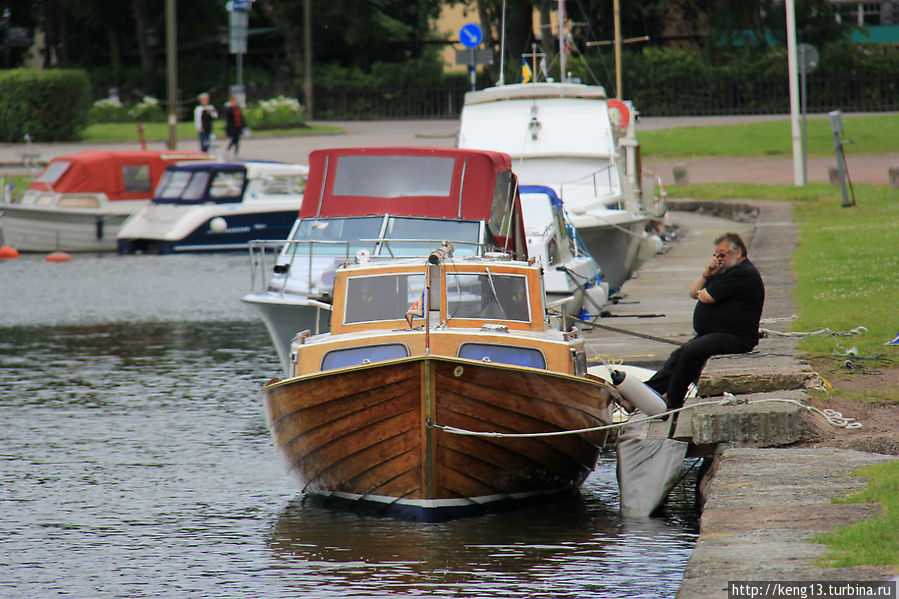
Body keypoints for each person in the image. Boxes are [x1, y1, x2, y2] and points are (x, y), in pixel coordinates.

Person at [645, 232, 765, 410]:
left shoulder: (743, 273)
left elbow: (706, 297)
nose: (719, 259)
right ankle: (646, 392)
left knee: (693, 351)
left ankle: (673, 398)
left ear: (738, 253)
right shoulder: (724, 271)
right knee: (678, 356)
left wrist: (704, 291)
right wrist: (707, 274)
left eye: (723, 255)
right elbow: (694, 292)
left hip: (736, 337)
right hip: (716, 333)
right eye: (716, 255)